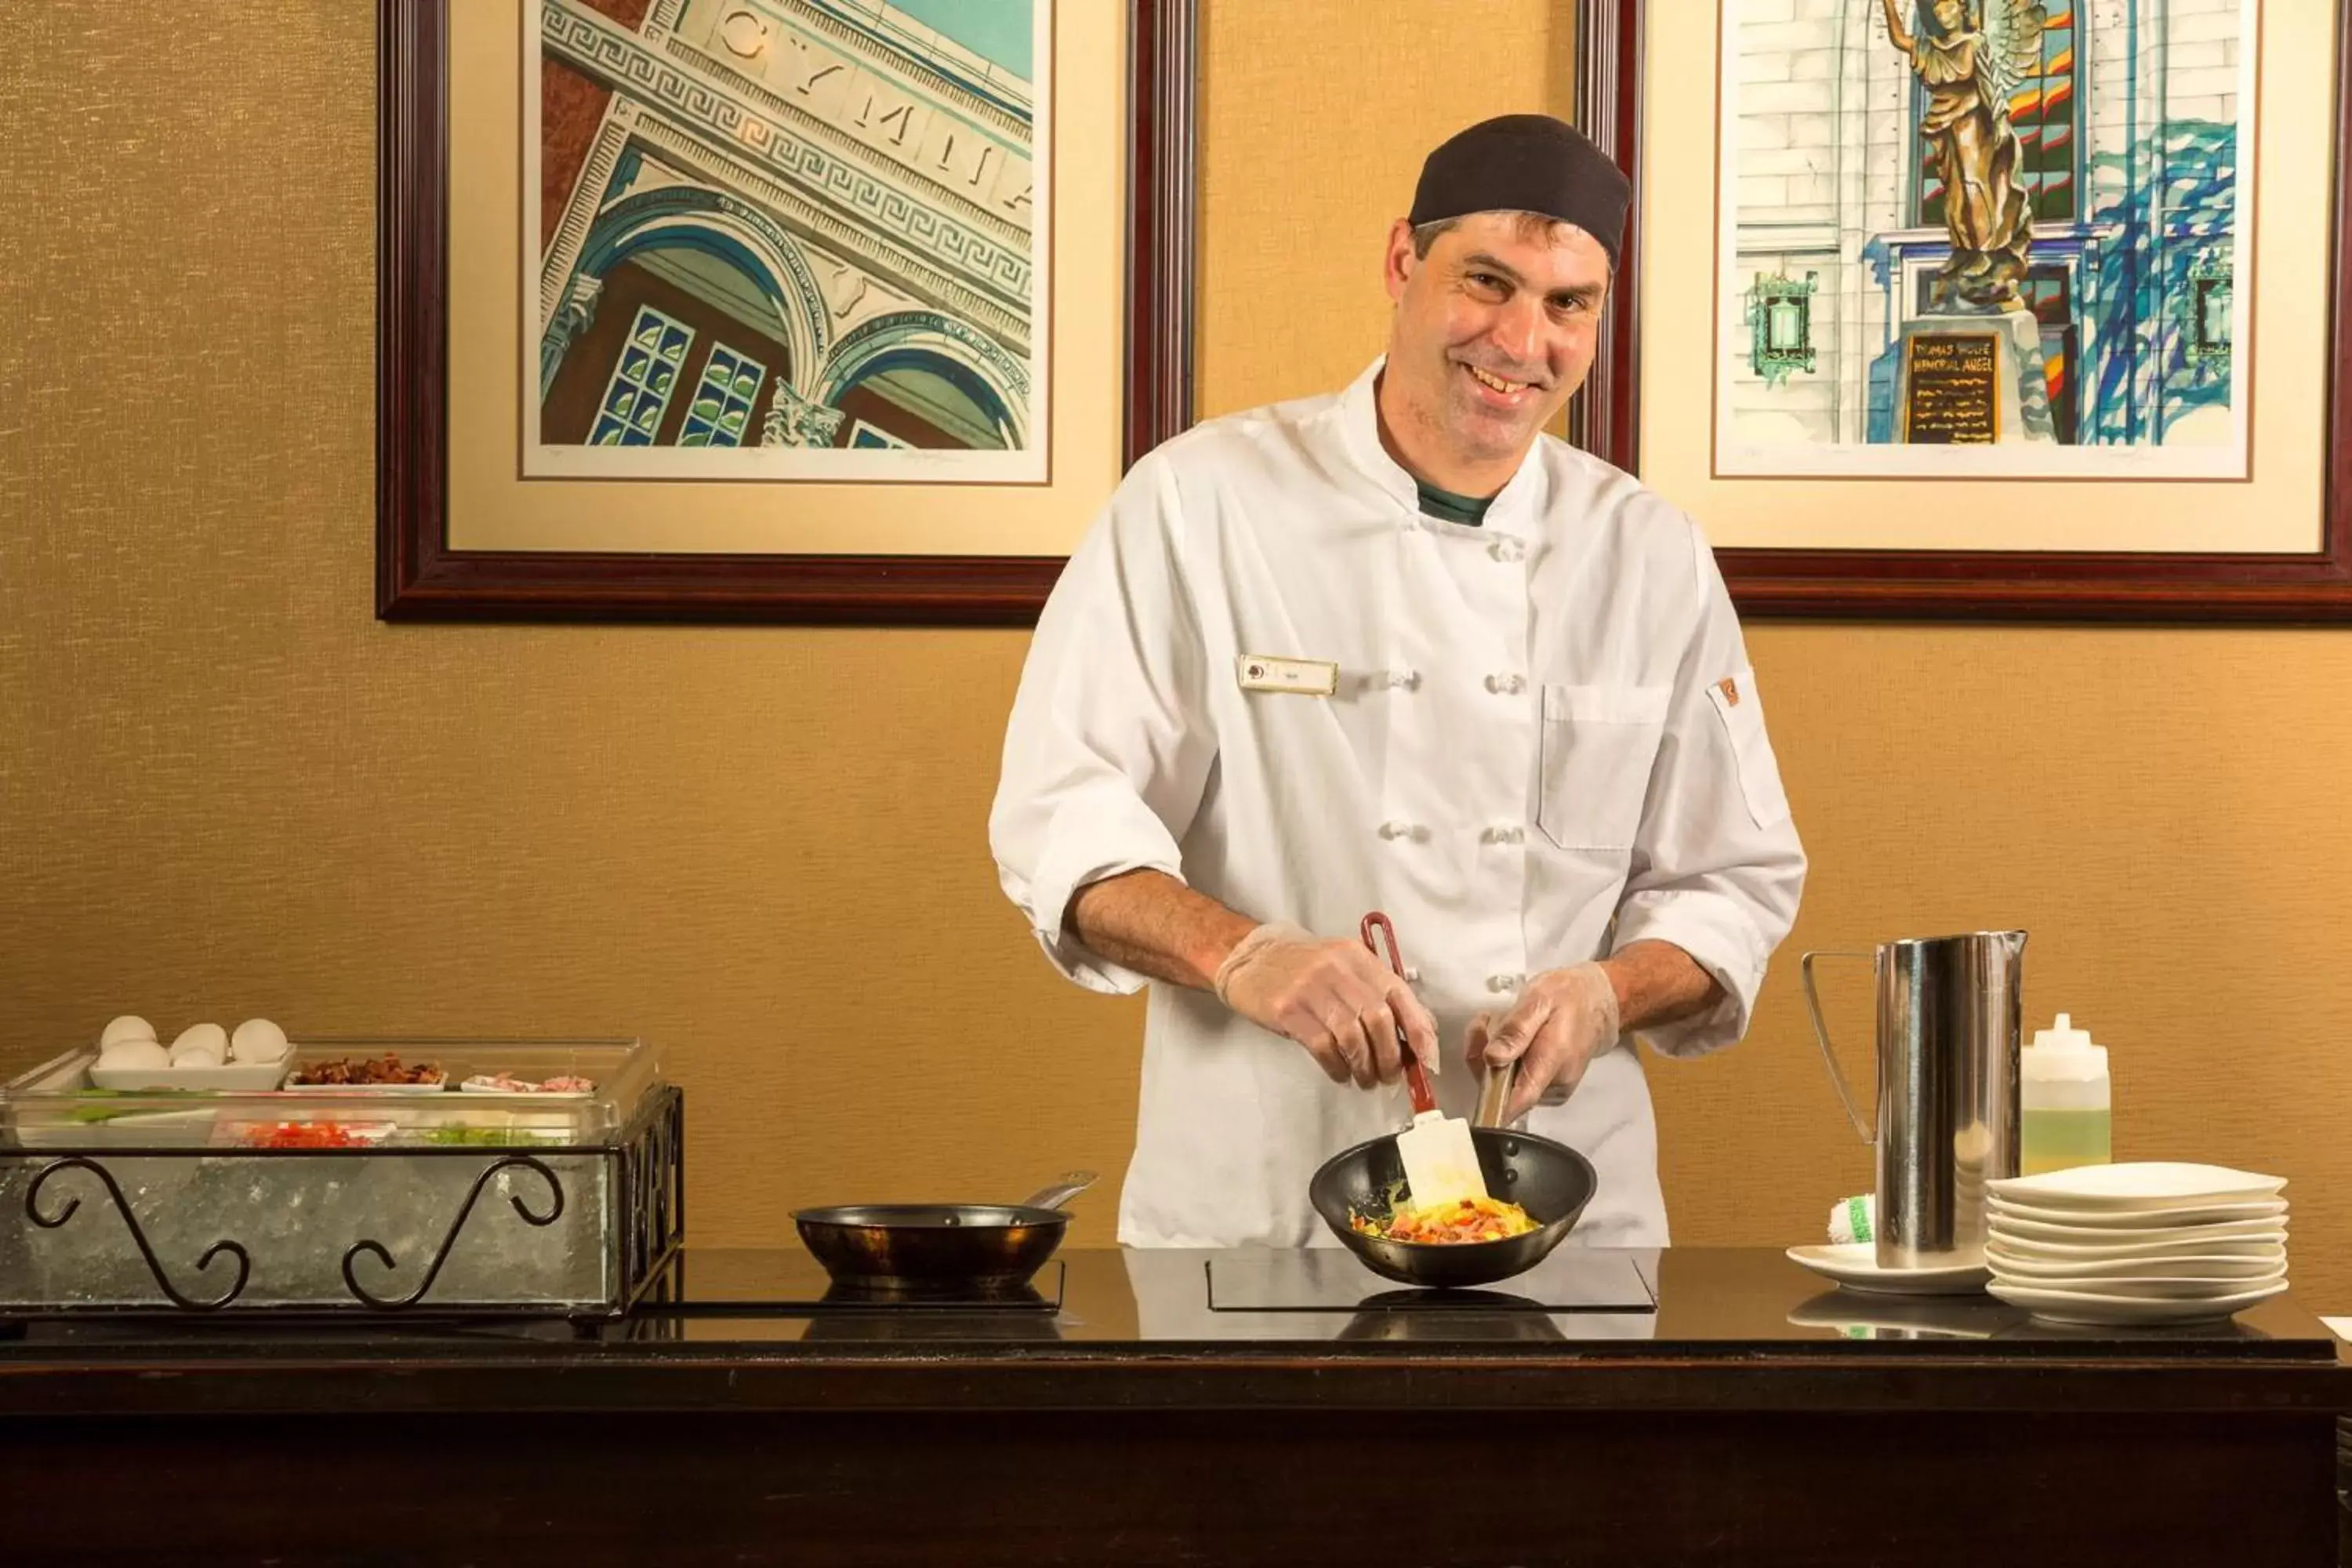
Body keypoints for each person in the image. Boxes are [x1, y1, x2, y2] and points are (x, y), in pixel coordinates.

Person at [989, 114, 1806, 1248]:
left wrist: (1610, 994)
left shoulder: (1651, 558)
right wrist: (1243, 954)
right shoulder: (1198, 505)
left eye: (1570, 303)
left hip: (1568, 1220)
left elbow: (1734, 884)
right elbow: (1058, 828)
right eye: (1488, 282)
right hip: (1258, 1209)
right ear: (1401, 263)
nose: (1523, 340)